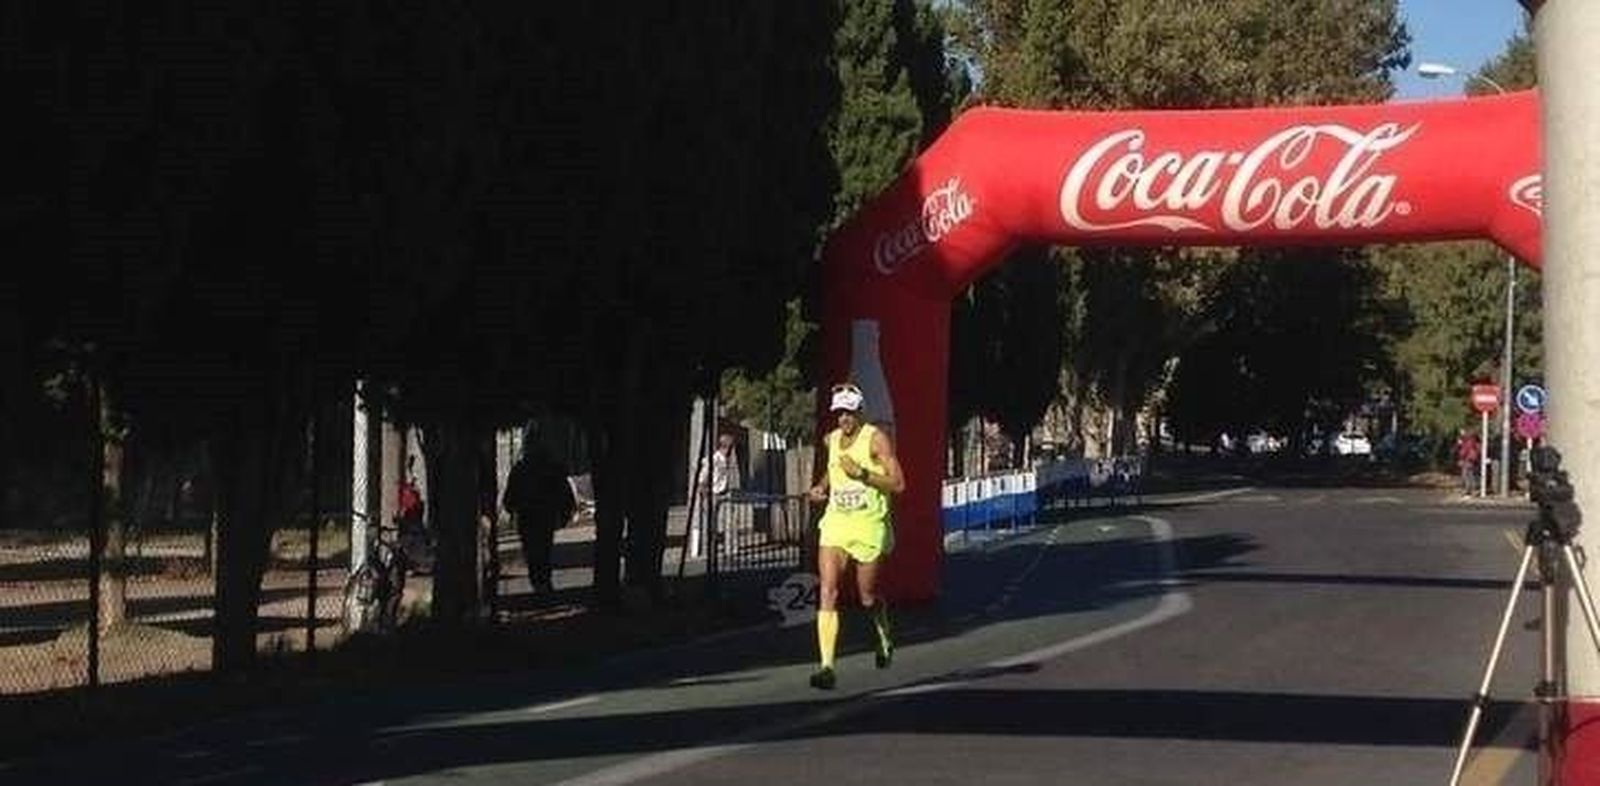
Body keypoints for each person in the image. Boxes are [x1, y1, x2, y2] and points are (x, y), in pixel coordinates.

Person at [805, 381, 905, 690]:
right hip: (836, 523)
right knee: (828, 590)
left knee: (866, 596)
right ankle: (826, 667)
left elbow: (899, 484)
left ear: (860, 412)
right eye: (839, 414)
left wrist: (862, 474)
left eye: (849, 413)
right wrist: (822, 487)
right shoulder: (831, 439)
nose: (844, 419)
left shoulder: (876, 440)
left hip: (868, 524)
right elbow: (833, 470)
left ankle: (883, 630)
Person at [502, 449, 576, 593]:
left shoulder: (521, 468)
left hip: (528, 516)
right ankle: (542, 581)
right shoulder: (550, 467)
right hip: (544, 516)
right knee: (543, 549)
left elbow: (511, 494)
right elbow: (564, 491)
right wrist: (565, 512)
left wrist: (510, 507)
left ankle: (538, 581)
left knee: (532, 551)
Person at [1456, 428, 1481, 496]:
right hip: (1470, 459)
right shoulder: (1472, 440)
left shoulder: (1468, 441)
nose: (1461, 432)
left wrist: (1461, 457)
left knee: (1466, 474)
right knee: (1470, 474)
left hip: (1468, 459)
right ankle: (1471, 489)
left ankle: (1469, 490)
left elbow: (1464, 450)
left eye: (1462, 431)